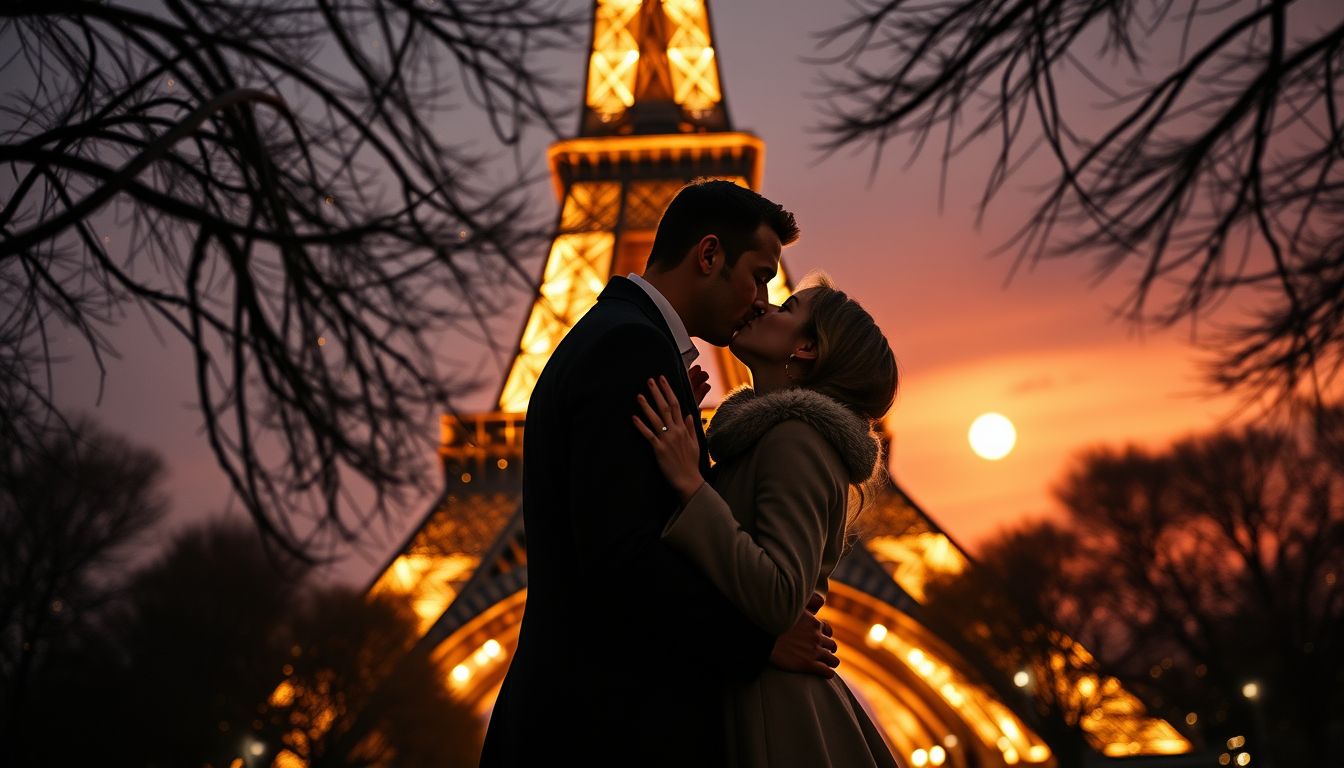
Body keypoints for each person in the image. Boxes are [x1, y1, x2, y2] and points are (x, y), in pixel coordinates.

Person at [480, 180, 842, 766]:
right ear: (708, 255)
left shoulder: (621, 339)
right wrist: (758, 642)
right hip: (604, 736)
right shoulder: (629, 348)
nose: (762, 298)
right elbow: (623, 560)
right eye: (759, 275)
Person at [633, 273, 902, 767]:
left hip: (767, 711)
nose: (764, 306)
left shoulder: (795, 438)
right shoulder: (765, 439)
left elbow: (781, 597)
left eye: (787, 306)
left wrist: (692, 488)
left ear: (806, 348)